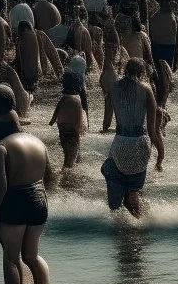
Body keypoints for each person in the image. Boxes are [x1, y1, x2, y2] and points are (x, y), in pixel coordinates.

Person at [0, 93, 52, 284]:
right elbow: (50, 177)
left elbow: (0, 185)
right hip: (40, 200)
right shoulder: (37, 141)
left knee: (11, 256)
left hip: (16, 201)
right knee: (31, 256)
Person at [102, 58, 164, 216]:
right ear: (142, 73)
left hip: (120, 143)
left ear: (125, 71)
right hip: (140, 144)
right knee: (134, 189)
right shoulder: (146, 89)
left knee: (111, 171)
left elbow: (106, 123)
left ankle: (119, 214)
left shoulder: (113, 88)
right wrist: (160, 156)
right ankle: (138, 223)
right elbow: (152, 131)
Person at [50, 71, 87, 170]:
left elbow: (56, 112)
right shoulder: (77, 100)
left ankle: (73, 165)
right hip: (73, 131)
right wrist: (80, 127)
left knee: (68, 152)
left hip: (62, 130)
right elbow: (79, 116)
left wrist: (52, 121)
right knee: (73, 153)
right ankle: (66, 173)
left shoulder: (63, 98)